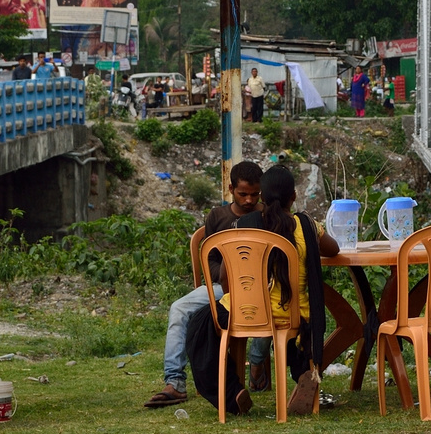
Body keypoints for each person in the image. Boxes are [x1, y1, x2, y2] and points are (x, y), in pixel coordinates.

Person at [184, 166, 337, 416]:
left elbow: (225, 274)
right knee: (291, 329)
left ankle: (232, 394)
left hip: (250, 312)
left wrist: (235, 299)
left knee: (200, 325)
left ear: (261, 197)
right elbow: (334, 250)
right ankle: (303, 374)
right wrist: (314, 231)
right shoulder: (307, 225)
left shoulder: (246, 226)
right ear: (294, 196)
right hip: (296, 316)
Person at [144, 160, 265, 408]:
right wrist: (225, 276)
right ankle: (175, 382)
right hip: (222, 288)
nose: (249, 200)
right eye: (243, 194)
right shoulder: (217, 217)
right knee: (179, 308)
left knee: (272, 305)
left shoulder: (266, 215)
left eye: (255, 195)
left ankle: (257, 365)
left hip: (260, 287)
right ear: (231, 188)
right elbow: (208, 258)